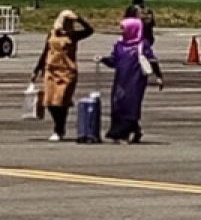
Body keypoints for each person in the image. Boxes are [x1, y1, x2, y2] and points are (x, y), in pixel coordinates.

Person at [31, 10, 95, 142]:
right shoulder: (52, 33)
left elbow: (90, 30)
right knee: (49, 102)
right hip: (51, 70)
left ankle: (59, 129)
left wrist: (79, 19)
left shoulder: (73, 35)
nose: (67, 23)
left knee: (60, 101)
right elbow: (45, 51)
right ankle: (58, 125)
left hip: (66, 71)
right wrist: (37, 69)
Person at [98, 17, 163, 143]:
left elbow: (152, 61)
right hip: (121, 80)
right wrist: (103, 59)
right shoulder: (119, 44)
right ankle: (126, 131)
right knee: (118, 105)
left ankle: (125, 133)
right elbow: (114, 62)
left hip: (136, 80)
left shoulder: (142, 44)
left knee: (131, 105)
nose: (121, 31)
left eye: (123, 28)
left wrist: (159, 76)